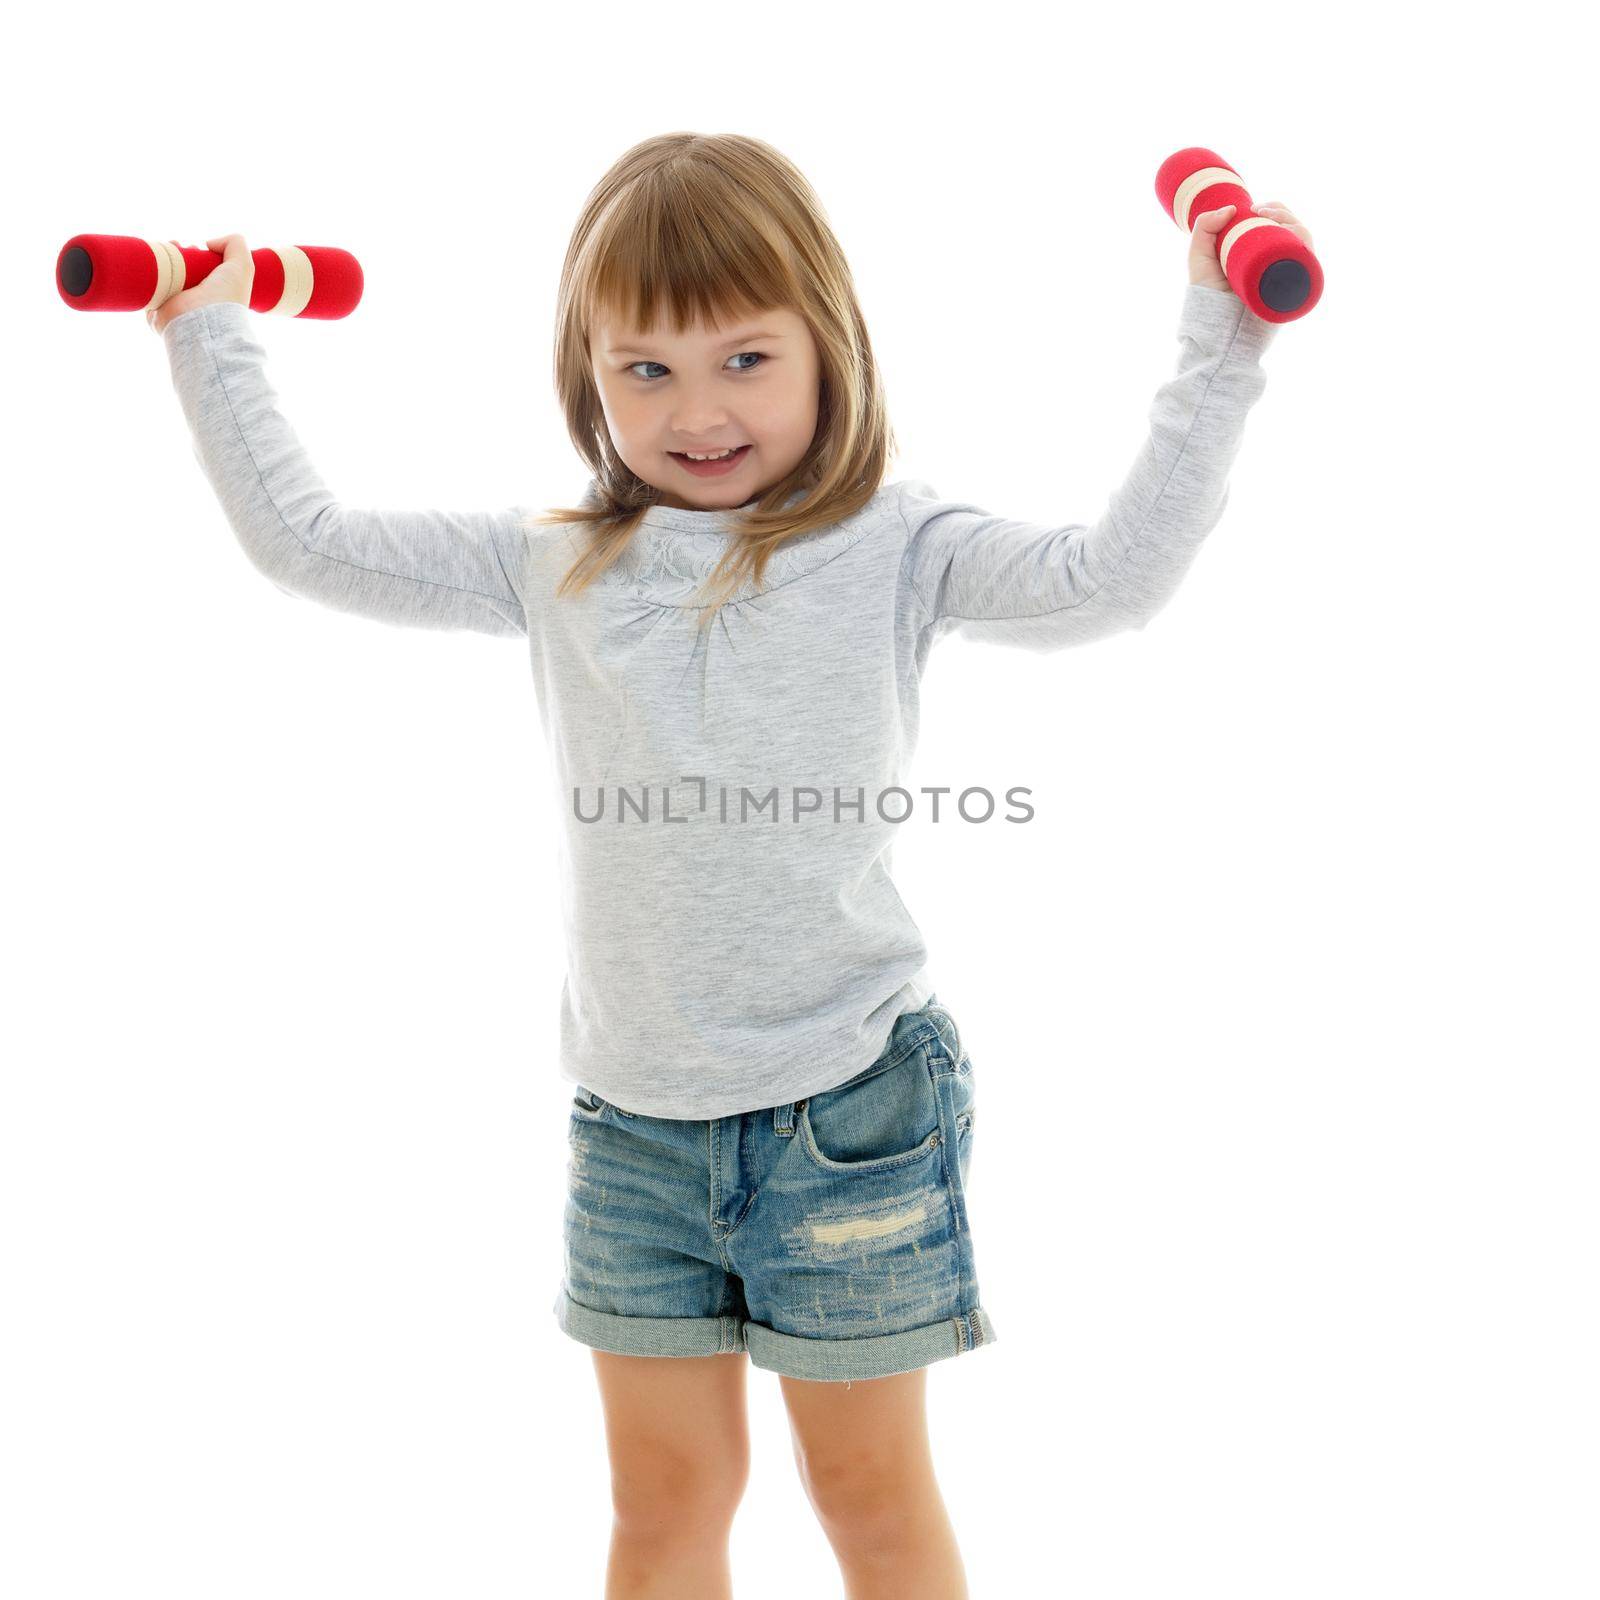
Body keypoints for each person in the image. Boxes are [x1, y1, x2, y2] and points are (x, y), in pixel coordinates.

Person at [154, 132, 1308, 1600]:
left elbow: (1113, 577)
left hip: (848, 1108)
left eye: (746, 360)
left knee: (871, 1498)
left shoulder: (902, 545)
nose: (697, 412)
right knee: (661, 1505)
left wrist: (1228, 332)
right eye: (645, 371)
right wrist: (207, 325)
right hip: (636, 1125)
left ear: (830, 349)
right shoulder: (555, 555)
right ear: (590, 373)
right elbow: (304, 542)